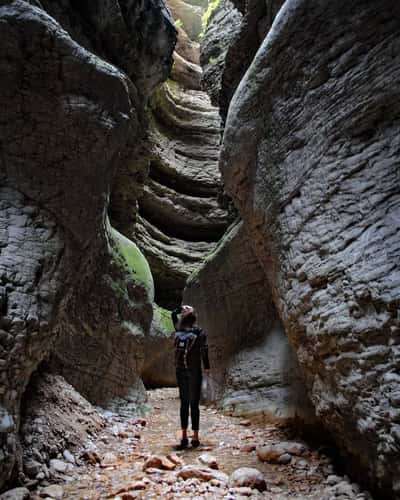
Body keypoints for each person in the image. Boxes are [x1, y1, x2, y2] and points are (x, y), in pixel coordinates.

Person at [172, 304, 210, 450]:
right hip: (194, 371)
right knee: (194, 404)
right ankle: (195, 437)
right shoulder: (200, 332)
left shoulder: (178, 330)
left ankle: (183, 436)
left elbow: (172, 315)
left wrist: (179, 309)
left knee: (184, 403)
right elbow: (204, 351)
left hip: (180, 370)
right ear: (195, 318)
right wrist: (206, 367)